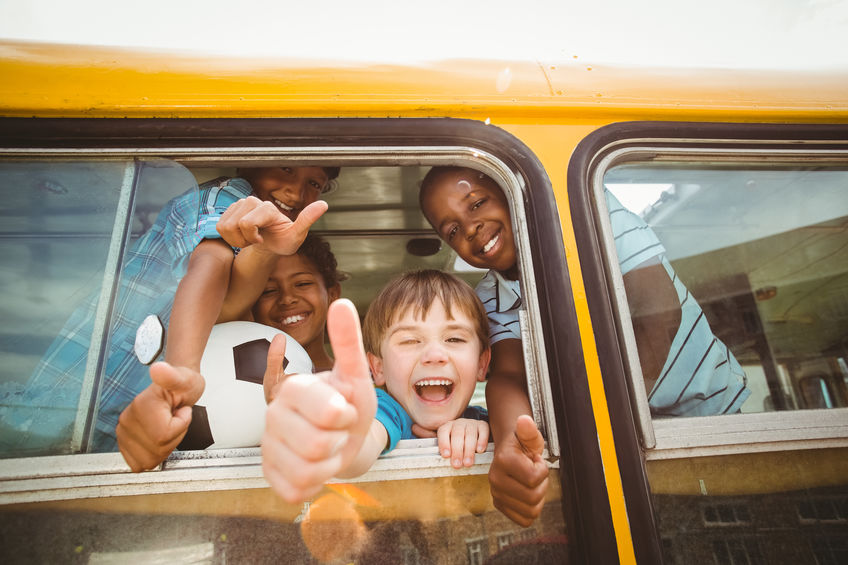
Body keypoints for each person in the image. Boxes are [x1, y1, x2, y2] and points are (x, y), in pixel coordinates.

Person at [417, 165, 750, 524]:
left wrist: (602, 421)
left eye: (477, 203)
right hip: (618, 441)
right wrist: (510, 443)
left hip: (711, 417)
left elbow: (658, 314)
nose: (470, 228)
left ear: (512, 190)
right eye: (452, 230)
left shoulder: (591, 211)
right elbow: (509, 376)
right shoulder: (491, 298)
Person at [1, 166, 337, 457]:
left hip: (123, 422)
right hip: (71, 401)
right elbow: (208, 266)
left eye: (314, 184)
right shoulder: (226, 199)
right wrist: (183, 376)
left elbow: (228, 301)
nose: (296, 190)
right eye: (287, 169)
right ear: (249, 163)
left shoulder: (258, 237)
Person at [117, 225, 342, 472]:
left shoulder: (364, 383)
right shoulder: (211, 366)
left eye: (302, 283)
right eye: (268, 290)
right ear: (251, 299)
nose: (287, 298)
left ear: (332, 294)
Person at [261, 270, 492, 503]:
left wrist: (485, 432)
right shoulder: (386, 411)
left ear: (482, 364)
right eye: (410, 340)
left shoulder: (489, 421)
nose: (434, 355)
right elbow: (364, 441)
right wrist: (338, 439)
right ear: (378, 367)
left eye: (454, 339)